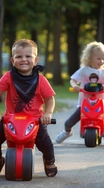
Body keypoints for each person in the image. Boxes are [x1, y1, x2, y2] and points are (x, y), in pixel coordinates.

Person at [0, 39, 57, 177]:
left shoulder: (41, 80)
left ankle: (49, 160)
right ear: (13, 61)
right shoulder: (8, 77)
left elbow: (49, 99)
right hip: (11, 119)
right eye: (19, 56)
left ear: (35, 60)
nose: (23, 59)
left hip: (35, 120)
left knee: (46, 145)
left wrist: (48, 114)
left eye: (28, 56)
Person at [54, 41, 104, 143]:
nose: (101, 61)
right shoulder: (84, 70)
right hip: (84, 104)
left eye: (103, 58)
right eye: (98, 58)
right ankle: (67, 132)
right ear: (90, 58)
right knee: (68, 122)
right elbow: (73, 80)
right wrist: (74, 86)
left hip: (101, 105)